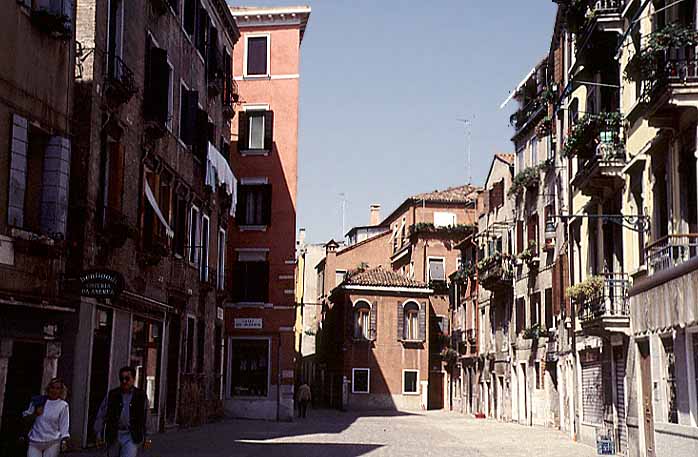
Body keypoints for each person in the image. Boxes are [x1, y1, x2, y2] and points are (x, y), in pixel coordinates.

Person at [93, 366, 151, 457]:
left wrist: (147, 438)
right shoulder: (112, 395)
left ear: (133, 379)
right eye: (122, 379)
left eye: (127, 379)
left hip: (131, 435)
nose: (124, 381)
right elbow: (101, 414)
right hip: (114, 434)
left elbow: (146, 417)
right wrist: (98, 433)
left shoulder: (141, 396)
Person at [22, 378, 70, 457]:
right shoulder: (38, 401)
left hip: (52, 442)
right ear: (48, 389)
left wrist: (64, 441)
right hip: (35, 441)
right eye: (52, 387)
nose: (54, 391)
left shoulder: (63, 405)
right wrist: (35, 414)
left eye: (57, 388)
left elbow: (64, 425)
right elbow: (26, 418)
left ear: (61, 391)